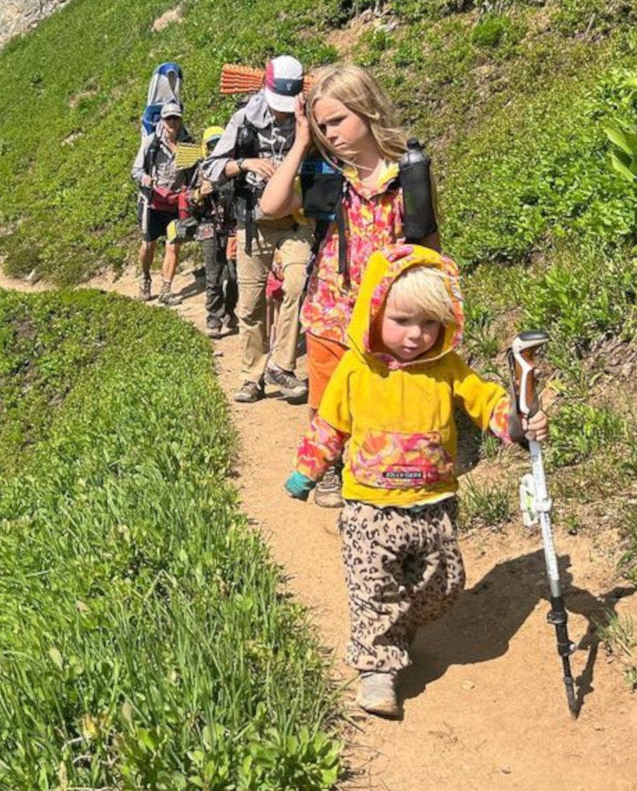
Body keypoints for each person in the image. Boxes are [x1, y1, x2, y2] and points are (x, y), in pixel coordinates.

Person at [283, 245, 550, 719]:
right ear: (374, 312)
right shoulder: (357, 369)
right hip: (370, 506)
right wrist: (308, 470)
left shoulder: (446, 368)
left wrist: (515, 422)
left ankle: (399, 627)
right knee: (373, 588)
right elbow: (330, 425)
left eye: (429, 323)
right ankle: (376, 670)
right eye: (403, 320)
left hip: (435, 504)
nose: (416, 335)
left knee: (443, 587)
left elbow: (485, 400)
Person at [261, 63, 435, 508]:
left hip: (386, 314)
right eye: (322, 125)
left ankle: (384, 465)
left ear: (367, 108)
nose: (329, 133)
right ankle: (327, 469)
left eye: (337, 120)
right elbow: (271, 204)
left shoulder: (408, 173)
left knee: (385, 397)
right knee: (325, 399)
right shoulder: (326, 175)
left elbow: (430, 246)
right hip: (330, 310)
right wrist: (301, 143)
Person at [201, 54, 311, 404]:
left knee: (296, 283)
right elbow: (211, 168)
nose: (281, 113)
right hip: (252, 223)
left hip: (296, 221)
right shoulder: (244, 120)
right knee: (249, 307)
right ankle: (252, 377)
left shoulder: (306, 119)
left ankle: (283, 365)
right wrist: (244, 163)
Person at [132, 101, 194, 303]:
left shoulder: (187, 143)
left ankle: (166, 289)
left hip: (176, 202)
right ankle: (146, 278)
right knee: (148, 244)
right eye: (169, 119)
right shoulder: (152, 142)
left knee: (173, 244)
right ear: (162, 120)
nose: (173, 123)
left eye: (176, 118)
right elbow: (136, 170)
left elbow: (192, 173)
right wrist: (145, 180)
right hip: (153, 202)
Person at [192, 125, 239, 337]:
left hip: (232, 227)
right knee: (213, 274)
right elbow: (186, 201)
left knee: (235, 274)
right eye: (211, 146)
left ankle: (230, 311)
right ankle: (214, 317)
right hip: (208, 227)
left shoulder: (233, 169)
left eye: (219, 144)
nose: (215, 149)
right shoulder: (199, 170)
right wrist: (200, 194)